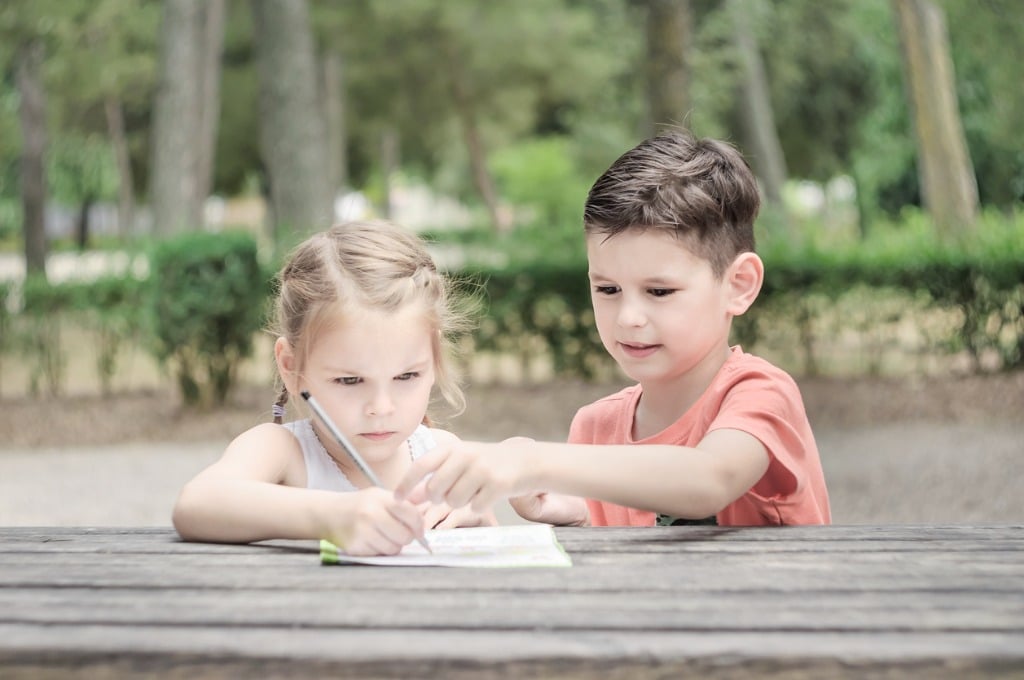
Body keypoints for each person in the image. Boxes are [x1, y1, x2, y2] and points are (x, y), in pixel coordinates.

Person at [395, 130, 831, 527]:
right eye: (607, 288)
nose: (628, 317)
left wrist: (531, 460)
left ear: (739, 285)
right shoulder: (595, 428)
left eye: (658, 292)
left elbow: (708, 480)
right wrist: (579, 518)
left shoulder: (761, 395)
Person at [173, 220, 494, 555]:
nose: (381, 407)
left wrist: (474, 517)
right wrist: (336, 515)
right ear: (291, 367)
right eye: (350, 380)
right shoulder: (283, 451)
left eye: (407, 376)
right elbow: (196, 503)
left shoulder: (443, 457)